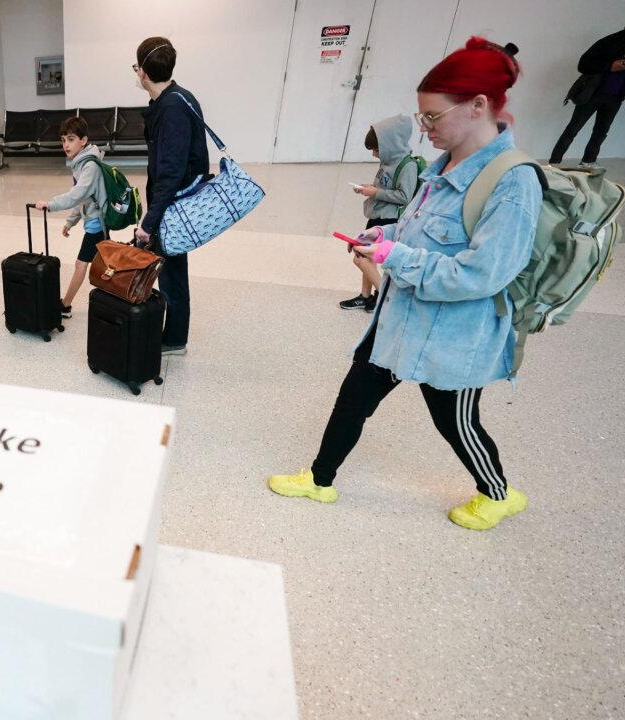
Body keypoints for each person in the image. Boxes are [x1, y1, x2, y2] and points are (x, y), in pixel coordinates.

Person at [268, 37, 542, 531]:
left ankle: (498, 493)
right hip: (399, 320)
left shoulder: (513, 182)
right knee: (354, 395)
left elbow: (482, 274)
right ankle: (320, 479)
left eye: (433, 117)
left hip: (453, 339)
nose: (425, 129)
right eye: (423, 118)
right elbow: (420, 228)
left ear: (478, 106)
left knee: (455, 422)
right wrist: (384, 234)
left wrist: (397, 256)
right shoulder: (445, 165)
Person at [132, 36, 208, 356]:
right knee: (171, 266)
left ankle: (175, 339)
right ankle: (173, 333)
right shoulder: (176, 99)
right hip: (173, 202)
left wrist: (149, 222)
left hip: (175, 206)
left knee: (173, 271)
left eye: (136, 67)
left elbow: (170, 174)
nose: (136, 74)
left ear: (143, 73)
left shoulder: (172, 108)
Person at [340, 115, 418, 313]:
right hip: (377, 217)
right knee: (366, 257)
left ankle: (384, 298)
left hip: (389, 220)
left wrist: (375, 192)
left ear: (390, 144)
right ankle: (365, 296)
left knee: (363, 258)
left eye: (377, 149)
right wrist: (369, 188)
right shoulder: (387, 161)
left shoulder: (407, 165)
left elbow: (405, 196)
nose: (375, 154)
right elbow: (383, 185)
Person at [34, 116, 107, 318]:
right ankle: (114, 297)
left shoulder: (89, 166)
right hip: (95, 220)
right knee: (105, 262)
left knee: (81, 264)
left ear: (83, 140)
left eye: (71, 139)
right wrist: (70, 222)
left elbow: (77, 195)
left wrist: (50, 204)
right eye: (64, 140)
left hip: (98, 224)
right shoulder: (79, 163)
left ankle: (65, 305)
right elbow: (83, 198)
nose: (66, 144)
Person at [549, 27, 625, 167]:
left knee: (601, 132)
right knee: (573, 129)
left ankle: (588, 161)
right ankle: (554, 163)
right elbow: (583, 64)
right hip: (593, 94)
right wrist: (610, 66)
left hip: (616, 97)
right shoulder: (609, 42)